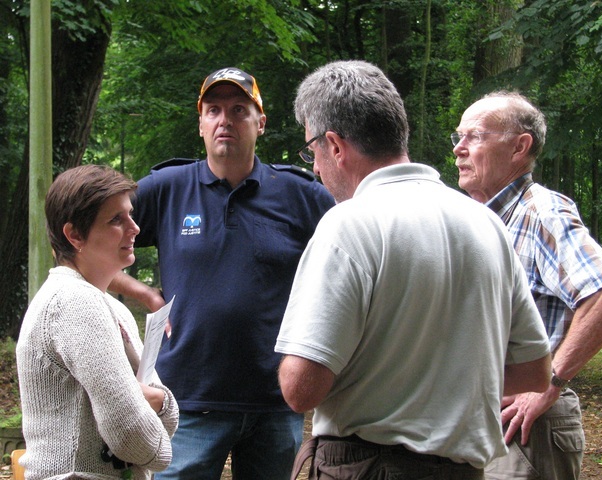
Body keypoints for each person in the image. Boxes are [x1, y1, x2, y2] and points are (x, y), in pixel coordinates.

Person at [275, 60, 553, 480]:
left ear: (334, 145)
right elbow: (535, 370)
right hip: (464, 470)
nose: (314, 167)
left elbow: (301, 389)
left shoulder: (349, 223)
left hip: (366, 466)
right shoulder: (485, 223)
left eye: (311, 149)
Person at [109, 67, 335, 479]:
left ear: (260, 123)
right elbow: (86, 240)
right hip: (187, 400)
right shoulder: (167, 188)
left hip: (274, 399)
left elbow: (349, 259)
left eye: (238, 110)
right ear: (200, 124)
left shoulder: (301, 195)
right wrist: (142, 293)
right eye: (213, 110)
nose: (224, 120)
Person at [453, 91, 602, 480]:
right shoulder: (483, 220)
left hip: (528, 429)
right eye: (458, 137)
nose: (459, 150)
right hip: (486, 421)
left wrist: (548, 382)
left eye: (474, 137)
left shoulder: (541, 212)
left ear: (520, 147)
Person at [16, 164, 178, 479]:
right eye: (116, 219)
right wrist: (159, 421)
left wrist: (159, 402)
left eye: (130, 215)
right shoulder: (74, 301)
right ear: (74, 234)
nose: (134, 228)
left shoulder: (112, 308)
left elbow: (157, 404)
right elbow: (133, 438)